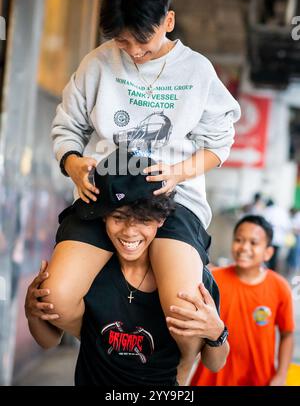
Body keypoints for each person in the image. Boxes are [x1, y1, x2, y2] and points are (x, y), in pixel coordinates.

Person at [46, 0, 240, 378]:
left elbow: (219, 143)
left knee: (183, 308)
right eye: (122, 40)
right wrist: (74, 164)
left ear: (168, 21)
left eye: (144, 40)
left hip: (173, 199)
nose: (133, 51)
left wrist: (177, 172)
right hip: (104, 196)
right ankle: (110, 354)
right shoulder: (98, 63)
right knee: (56, 298)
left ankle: (180, 368)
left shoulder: (197, 71)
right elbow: (67, 128)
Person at [25, 153, 229, 386]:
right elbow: (48, 341)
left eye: (143, 220)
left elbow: (215, 363)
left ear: (162, 219)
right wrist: (33, 312)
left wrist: (217, 332)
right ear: (102, 217)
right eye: (119, 218)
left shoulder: (193, 280)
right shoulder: (89, 274)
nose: (130, 232)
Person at [190, 215, 295, 386]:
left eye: (253, 243)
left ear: (268, 252)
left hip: (258, 380)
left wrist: (281, 375)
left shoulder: (280, 287)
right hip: (210, 379)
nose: (244, 247)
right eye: (239, 240)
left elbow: (287, 334)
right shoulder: (212, 280)